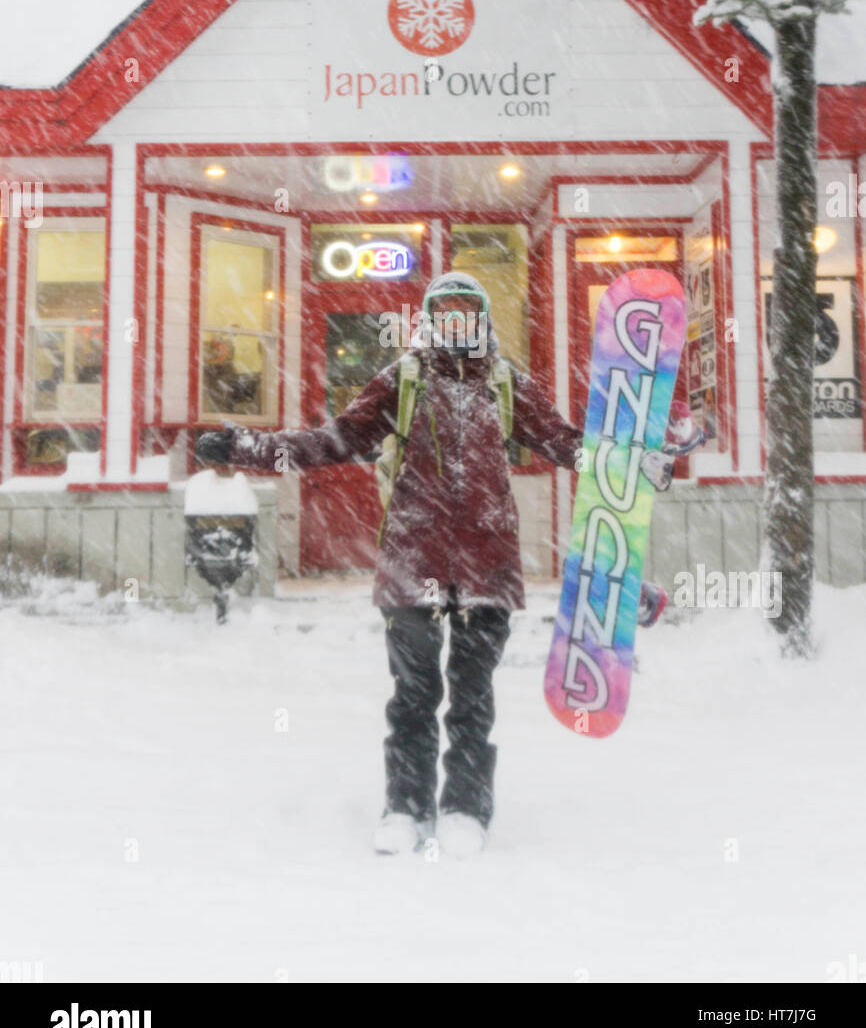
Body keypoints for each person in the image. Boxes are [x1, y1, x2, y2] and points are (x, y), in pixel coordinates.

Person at [195, 271, 699, 859]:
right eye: (445, 313)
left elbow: (565, 442)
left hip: (489, 568)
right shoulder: (402, 380)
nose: (457, 324)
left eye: (468, 312)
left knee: (473, 697)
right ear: (430, 322)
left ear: (484, 320)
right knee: (412, 695)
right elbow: (331, 441)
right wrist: (241, 447)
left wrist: (632, 459)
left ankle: (465, 808)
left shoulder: (506, 382)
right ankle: (404, 807)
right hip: (412, 566)